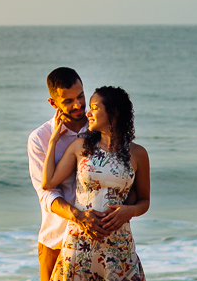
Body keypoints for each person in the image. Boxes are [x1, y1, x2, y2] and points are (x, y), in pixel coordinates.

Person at [41, 85, 149, 281]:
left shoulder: (138, 153)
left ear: (113, 113)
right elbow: (48, 182)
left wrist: (129, 211)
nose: (88, 113)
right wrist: (53, 141)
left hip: (118, 243)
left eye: (94, 108)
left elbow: (144, 200)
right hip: (80, 240)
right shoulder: (80, 147)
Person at [28, 68, 115, 281]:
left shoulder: (101, 130)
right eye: (68, 101)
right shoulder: (40, 138)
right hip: (56, 241)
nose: (78, 105)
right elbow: (46, 193)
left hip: (100, 242)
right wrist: (78, 216)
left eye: (81, 96)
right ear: (53, 103)